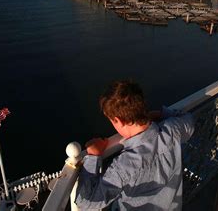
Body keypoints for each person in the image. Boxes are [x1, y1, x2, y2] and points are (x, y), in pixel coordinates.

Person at [75, 80, 195, 210]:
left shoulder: (124, 166)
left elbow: (85, 202)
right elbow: (189, 120)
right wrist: (161, 114)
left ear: (118, 121)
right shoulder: (172, 131)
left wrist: (93, 157)